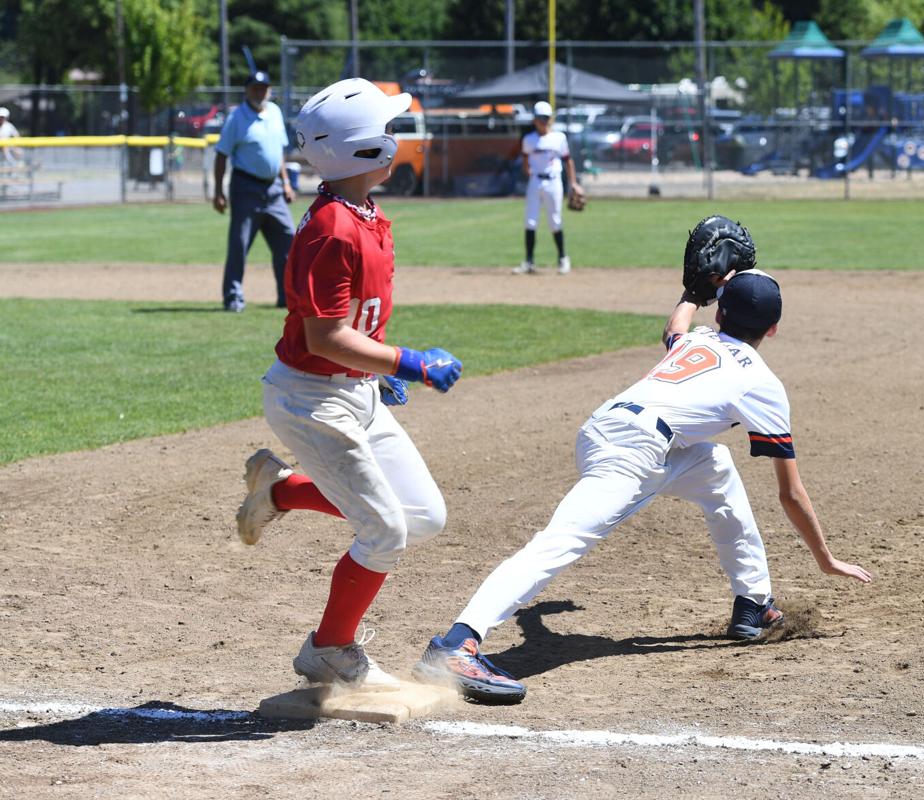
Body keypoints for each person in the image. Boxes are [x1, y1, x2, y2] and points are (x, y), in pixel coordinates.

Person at [413, 262, 874, 703]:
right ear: (772, 329)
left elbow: (673, 328)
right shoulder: (762, 382)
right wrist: (826, 558)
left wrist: (692, 293)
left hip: (609, 428)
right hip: (631, 452)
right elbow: (790, 492)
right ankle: (458, 643)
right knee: (560, 541)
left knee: (716, 468)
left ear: (721, 311)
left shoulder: (698, 341)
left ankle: (752, 603)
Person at [233, 78, 464, 687]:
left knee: (423, 515)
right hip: (311, 401)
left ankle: (280, 491)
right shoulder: (332, 228)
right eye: (384, 130)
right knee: (383, 530)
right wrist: (407, 362)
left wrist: (375, 370)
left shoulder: (365, 214)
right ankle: (328, 650)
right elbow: (323, 338)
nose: (393, 139)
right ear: (360, 148)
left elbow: (352, 325)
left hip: (351, 391)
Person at [213, 70, 295, 312]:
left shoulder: (275, 112)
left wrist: (286, 182)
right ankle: (233, 298)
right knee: (239, 245)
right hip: (246, 187)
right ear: (247, 91)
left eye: (264, 88)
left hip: (274, 189)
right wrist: (218, 192)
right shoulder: (236, 118)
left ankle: (287, 296)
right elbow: (221, 154)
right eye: (255, 88)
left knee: (288, 241)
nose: (260, 92)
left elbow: (278, 153)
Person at [513, 100, 582, 276]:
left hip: (554, 182)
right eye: (539, 118)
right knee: (530, 221)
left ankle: (563, 258)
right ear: (534, 120)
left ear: (550, 119)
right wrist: (529, 174)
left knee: (555, 221)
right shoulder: (529, 140)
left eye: (546, 118)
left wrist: (573, 183)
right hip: (535, 181)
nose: (543, 121)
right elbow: (526, 160)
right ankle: (529, 261)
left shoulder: (559, 138)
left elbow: (568, 161)